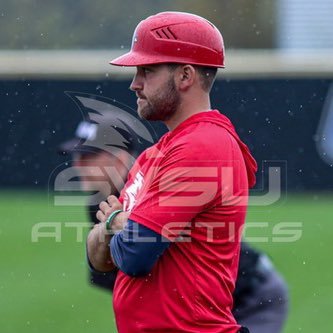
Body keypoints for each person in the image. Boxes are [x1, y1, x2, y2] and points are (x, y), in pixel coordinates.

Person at [87, 11, 261, 333]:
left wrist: (114, 221)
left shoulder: (204, 145)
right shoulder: (155, 154)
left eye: (147, 70)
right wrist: (121, 228)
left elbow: (133, 255)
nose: (134, 83)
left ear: (185, 76)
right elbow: (99, 261)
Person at [60, 114, 288, 332]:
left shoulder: (153, 180)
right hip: (206, 302)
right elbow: (107, 268)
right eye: (76, 156)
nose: (77, 165)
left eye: (88, 157)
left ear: (119, 158)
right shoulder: (101, 200)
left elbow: (132, 261)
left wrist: (114, 230)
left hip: (253, 294)